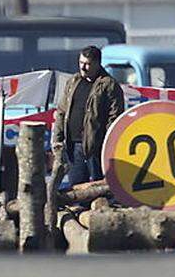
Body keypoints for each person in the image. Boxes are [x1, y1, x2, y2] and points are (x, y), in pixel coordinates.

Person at [52, 45, 125, 185]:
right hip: (73, 146)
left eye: (87, 64)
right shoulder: (73, 82)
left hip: (95, 148)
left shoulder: (109, 85)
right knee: (76, 188)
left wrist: (106, 145)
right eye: (81, 63)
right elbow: (62, 111)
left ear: (97, 64)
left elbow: (114, 118)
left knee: (97, 188)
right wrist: (57, 139)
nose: (83, 67)